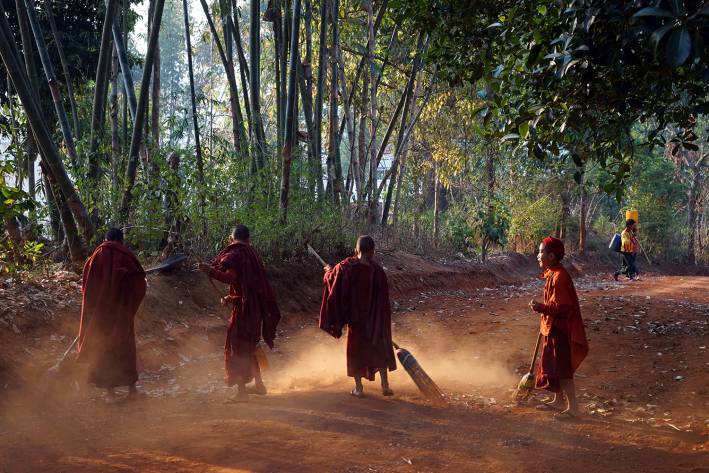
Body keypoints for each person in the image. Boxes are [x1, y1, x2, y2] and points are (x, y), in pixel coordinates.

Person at [199, 225, 281, 402]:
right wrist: (231, 296)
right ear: (248, 239)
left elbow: (230, 278)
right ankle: (259, 385)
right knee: (251, 346)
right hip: (255, 309)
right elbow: (246, 285)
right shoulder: (253, 254)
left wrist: (210, 271)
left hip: (245, 310)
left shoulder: (235, 254)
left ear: (231, 238)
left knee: (237, 348)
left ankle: (242, 392)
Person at [319, 235, 396, 398]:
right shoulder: (377, 270)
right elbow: (383, 299)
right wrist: (381, 322)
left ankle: (359, 389)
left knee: (355, 352)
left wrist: (327, 272)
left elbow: (333, 281)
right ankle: (385, 385)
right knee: (379, 348)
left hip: (357, 321)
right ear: (373, 251)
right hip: (375, 320)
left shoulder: (346, 266)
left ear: (357, 250)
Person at [77, 227, 147, 400]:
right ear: (121, 241)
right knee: (125, 347)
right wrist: (128, 303)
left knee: (103, 348)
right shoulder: (127, 256)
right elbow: (138, 283)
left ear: (105, 238)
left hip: (101, 315)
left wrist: (94, 309)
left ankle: (110, 393)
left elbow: (86, 287)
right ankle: (132, 391)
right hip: (120, 313)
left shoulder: (94, 257)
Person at [529, 236, 588, 419]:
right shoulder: (552, 273)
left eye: (541, 252)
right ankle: (559, 400)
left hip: (561, 329)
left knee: (562, 368)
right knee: (553, 364)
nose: (538, 256)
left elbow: (563, 307)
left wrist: (540, 308)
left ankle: (574, 408)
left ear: (552, 256)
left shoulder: (560, 277)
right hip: (552, 326)